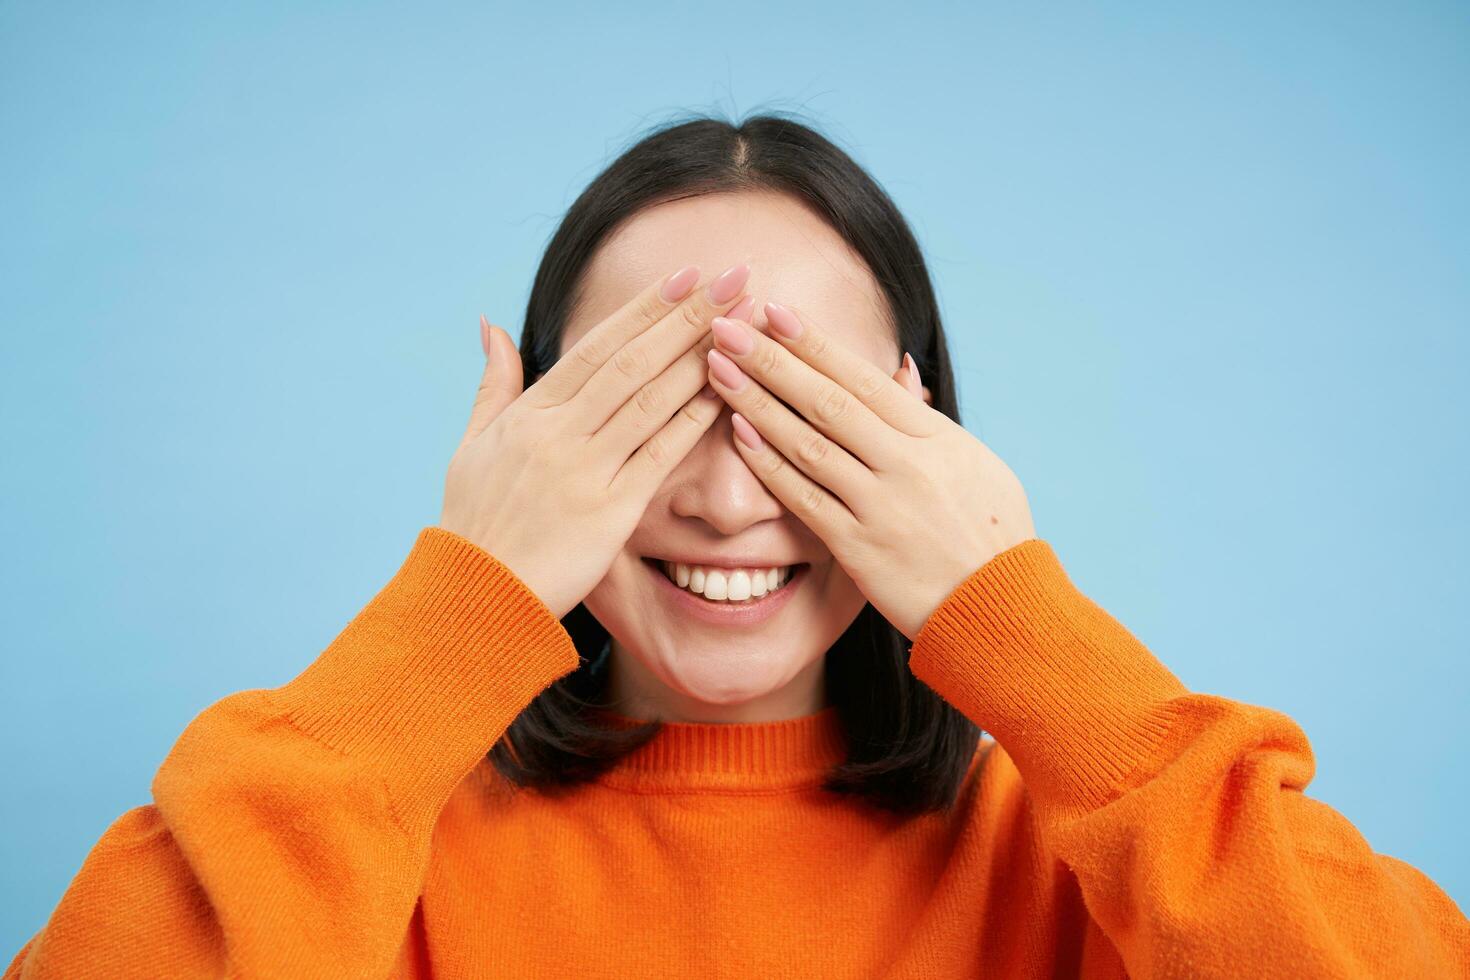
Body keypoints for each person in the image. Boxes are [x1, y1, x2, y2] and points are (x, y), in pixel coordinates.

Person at [6, 114, 1467, 979]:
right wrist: (468, 593)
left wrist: (1012, 610)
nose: (722, 498)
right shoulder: (366, 843)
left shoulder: (1078, 845)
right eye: (645, 403)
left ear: (923, 434)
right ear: (529, 426)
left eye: (800, 405)